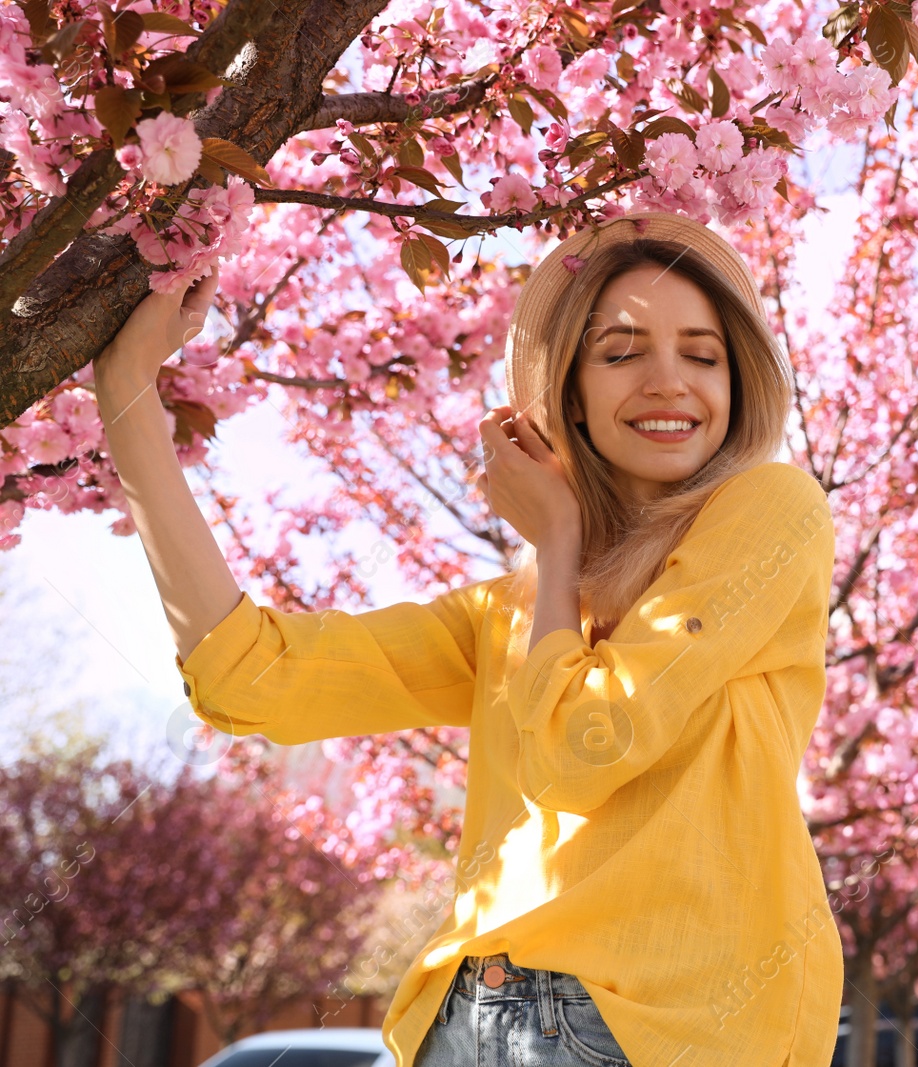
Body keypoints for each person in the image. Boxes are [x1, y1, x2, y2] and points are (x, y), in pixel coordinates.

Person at [93, 210, 845, 1067]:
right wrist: (126, 397)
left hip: (662, 1027)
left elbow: (586, 744)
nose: (669, 381)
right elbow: (252, 677)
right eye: (621, 351)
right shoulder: (516, 613)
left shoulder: (775, 511)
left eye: (703, 354)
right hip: (467, 1018)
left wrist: (555, 542)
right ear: (567, 392)